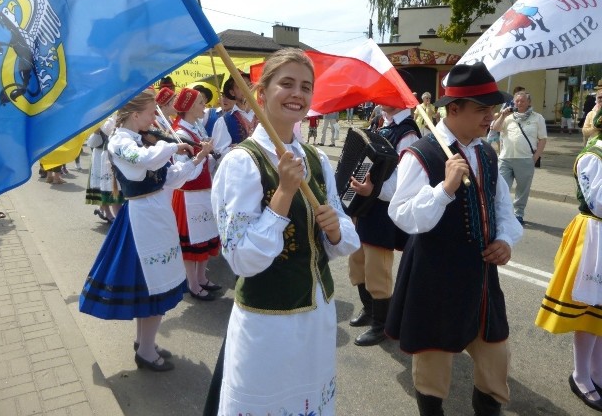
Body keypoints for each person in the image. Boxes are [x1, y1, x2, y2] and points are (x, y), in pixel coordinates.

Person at [210, 48, 359, 414]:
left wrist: (336, 232)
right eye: (287, 84)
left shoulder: (317, 159)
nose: (298, 93)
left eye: (306, 87)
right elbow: (242, 259)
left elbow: (344, 230)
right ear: (262, 94)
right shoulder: (241, 163)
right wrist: (283, 193)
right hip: (268, 324)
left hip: (317, 318)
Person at [385, 62, 523, 416]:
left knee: (495, 358)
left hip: (480, 276)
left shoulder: (486, 152)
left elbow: (501, 206)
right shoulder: (422, 153)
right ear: (454, 109)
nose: (490, 116)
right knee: (433, 364)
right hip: (435, 274)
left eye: (492, 108)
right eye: (482, 109)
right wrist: (444, 190)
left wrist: (506, 239)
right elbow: (400, 214)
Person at [79, 88, 213, 372]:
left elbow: (170, 178)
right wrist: (174, 146)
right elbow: (145, 162)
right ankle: (146, 350)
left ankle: (145, 343)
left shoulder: (140, 139)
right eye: (153, 112)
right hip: (141, 221)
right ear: (136, 114)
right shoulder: (121, 141)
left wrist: (197, 158)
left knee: (154, 284)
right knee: (154, 286)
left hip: (155, 216)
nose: (157, 118)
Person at [535, 107, 602, 413]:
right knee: (588, 309)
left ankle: (598, 373)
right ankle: (581, 375)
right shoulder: (593, 155)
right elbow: (598, 203)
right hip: (592, 236)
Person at [348, 104, 420, 346]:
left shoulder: (407, 132)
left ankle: (382, 324)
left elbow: (403, 182)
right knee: (357, 263)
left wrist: (372, 190)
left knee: (377, 269)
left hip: (382, 211)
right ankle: (369, 311)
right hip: (365, 208)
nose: (378, 100)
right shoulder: (384, 124)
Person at [171, 88, 221, 302]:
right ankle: (192, 283)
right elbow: (184, 174)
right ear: (190, 107)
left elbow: (207, 163)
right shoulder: (179, 134)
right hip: (189, 196)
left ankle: (202, 277)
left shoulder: (197, 127)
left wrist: (212, 156)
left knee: (206, 236)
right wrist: (203, 156)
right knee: (193, 242)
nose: (205, 106)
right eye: (201, 103)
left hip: (203, 193)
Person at [491, 90, 547, 225]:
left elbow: (543, 139)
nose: (519, 103)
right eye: (517, 101)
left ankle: (518, 214)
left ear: (529, 102)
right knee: (501, 188)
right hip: (505, 158)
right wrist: (503, 115)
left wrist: (535, 158)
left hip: (525, 159)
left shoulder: (537, 118)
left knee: (522, 190)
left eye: (522, 101)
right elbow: (495, 128)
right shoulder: (508, 117)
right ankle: (499, 213)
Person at [211, 73, 258, 160]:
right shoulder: (225, 121)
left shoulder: (264, 115)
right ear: (232, 92)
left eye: (248, 85)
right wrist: (237, 150)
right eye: (240, 86)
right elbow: (219, 153)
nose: (246, 89)